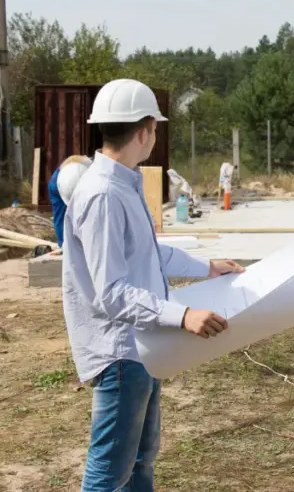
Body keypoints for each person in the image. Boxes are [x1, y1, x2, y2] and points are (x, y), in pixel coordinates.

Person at [62, 78, 245, 492]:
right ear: (144, 130)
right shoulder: (103, 195)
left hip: (142, 347)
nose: (156, 136)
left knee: (140, 463)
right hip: (120, 354)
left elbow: (149, 253)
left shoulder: (123, 184)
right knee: (109, 475)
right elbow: (110, 293)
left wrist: (206, 267)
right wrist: (182, 316)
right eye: (156, 128)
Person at [49, 155, 92, 248]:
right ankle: (65, 246)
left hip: (62, 177)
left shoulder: (90, 170)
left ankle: (65, 246)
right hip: (60, 180)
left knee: (61, 217)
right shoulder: (91, 173)